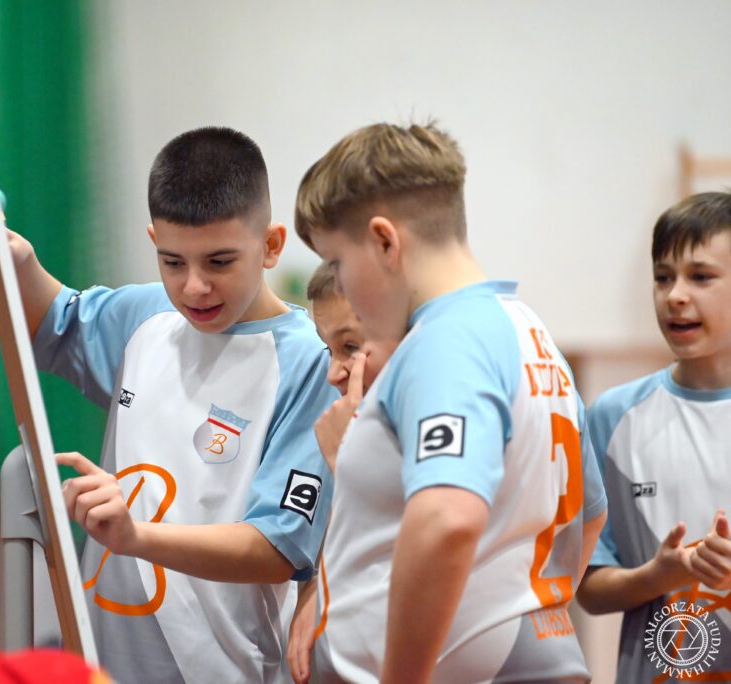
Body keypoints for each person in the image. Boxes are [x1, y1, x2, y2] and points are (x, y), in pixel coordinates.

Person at [0, 127, 337, 683]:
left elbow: (277, 548)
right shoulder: (145, 316)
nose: (194, 288)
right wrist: (17, 264)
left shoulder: (310, 362)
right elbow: (54, 321)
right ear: (153, 240)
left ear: (272, 245)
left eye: (219, 262)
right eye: (172, 262)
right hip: (101, 667)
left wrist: (135, 537)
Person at [293, 121, 608, 683]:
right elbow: (591, 514)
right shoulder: (526, 330)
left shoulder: (448, 340)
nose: (342, 286)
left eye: (338, 264)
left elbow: (446, 520)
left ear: (385, 242)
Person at [576, 191, 731, 683]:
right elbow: (587, 588)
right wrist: (659, 575)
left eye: (701, 276)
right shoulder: (613, 417)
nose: (675, 295)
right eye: (663, 277)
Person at [287, 261, 399, 684]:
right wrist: (317, 584)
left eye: (351, 347)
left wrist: (348, 464)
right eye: (328, 350)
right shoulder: (357, 427)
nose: (334, 374)